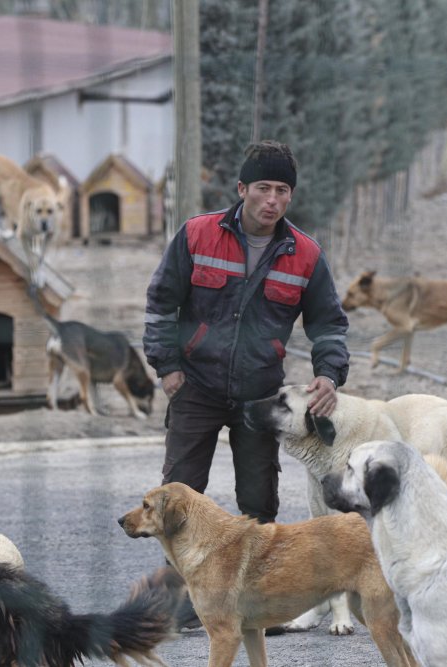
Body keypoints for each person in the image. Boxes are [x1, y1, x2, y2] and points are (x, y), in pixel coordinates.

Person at [143, 140, 349, 524]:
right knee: (175, 504)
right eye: (263, 188)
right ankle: (178, 583)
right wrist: (167, 367)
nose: (271, 200)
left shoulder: (306, 255)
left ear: (290, 196)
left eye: (282, 191)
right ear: (242, 190)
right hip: (195, 386)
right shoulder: (196, 235)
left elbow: (329, 325)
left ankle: (254, 585)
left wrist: (328, 374)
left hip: (260, 395)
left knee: (259, 507)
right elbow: (160, 303)